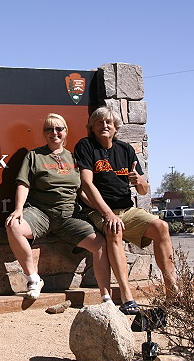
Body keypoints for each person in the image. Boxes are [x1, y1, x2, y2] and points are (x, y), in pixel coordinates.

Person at [74, 107, 178, 314]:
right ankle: (127, 296)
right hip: (98, 209)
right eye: (99, 122)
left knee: (161, 227)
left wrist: (139, 180)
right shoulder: (86, 146)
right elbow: (86, 184)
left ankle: (172, 292)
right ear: (92, 127)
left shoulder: (126, 150)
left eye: (108, 123)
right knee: (114, 229)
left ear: (115, 128)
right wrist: (108, 214)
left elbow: (143, 189)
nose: (104, 126)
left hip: (127, 209)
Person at [5, 113, 113, 302]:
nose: (54, 133)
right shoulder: (34, 156)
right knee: (14, 226)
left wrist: (103, 212)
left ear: (65, 132)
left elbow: (83, 191)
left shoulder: (74, 158)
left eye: (58, 129)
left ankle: (106, 297)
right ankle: (33, 279)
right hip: (41, 213)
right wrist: (18, 209)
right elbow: (23, 184)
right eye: (49, 129)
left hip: (70, 216)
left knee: (100, 244)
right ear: (44, 133)